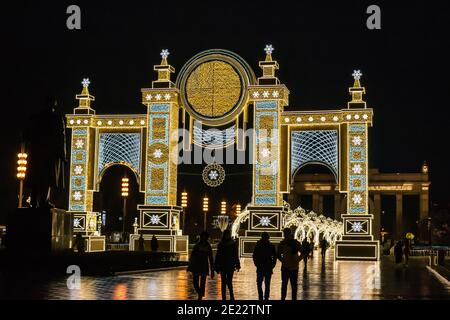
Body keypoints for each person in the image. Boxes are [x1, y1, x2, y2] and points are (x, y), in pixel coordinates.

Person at [187, 231, 214, 300]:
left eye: (205, 237)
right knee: (195, 283)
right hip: (196, 266)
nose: (204, 238)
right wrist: (190, 265)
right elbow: (192, 256)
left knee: (202, 283)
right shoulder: (197, 246)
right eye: (203, 237)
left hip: (204, 266)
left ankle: (200, 298)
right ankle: (201, 293)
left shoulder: (208, 246)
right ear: (201, 237)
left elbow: (211, 258)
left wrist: (212, 269)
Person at [214, 230, 240, 300]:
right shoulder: (230, 244)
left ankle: (230, 296)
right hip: (225, 265)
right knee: (224, 281)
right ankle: (227, 297)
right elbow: (218, 255)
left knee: (228, 281)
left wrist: (237, 264)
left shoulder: (225, 244)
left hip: (229, 265)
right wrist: (216, 265)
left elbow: (235, 255)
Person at [277, 228, 301, 300]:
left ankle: (286, 298)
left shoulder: (294, 243)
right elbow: (278, 254)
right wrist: (283, 260)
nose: (285, 235)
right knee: (287, 285)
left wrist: (298, 259)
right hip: (288, 267)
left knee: (289, 285)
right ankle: (284, 298)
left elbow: (303, 251)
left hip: (291, 267)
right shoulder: (283, 243)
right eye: (285, 234)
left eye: (286, 233)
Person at [252, 232, 277, 300]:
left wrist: (256, 263)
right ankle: (266, 296)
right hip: (267, 266)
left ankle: (261, 295)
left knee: (260, 283)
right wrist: (273, 264)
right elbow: (274, 256)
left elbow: (254, 255)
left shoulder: (258, 245)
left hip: (261, 266)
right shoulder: (270, 245)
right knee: (267, 283)